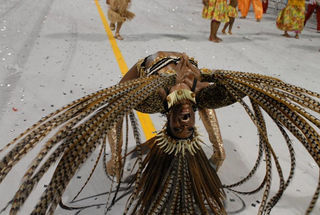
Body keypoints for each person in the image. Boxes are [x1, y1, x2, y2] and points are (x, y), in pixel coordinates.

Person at [1, 52, 320, 214]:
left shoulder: (201, 92)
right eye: (180, 116)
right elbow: (115, 106)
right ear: (166, 112)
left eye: (189, 113)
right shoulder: (143, 94)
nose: (186, 119)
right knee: (118, 105)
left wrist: (217, 152)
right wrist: (114, 157)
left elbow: (201, 105)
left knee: (199, 113)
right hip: (148, 82)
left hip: (186, 82)